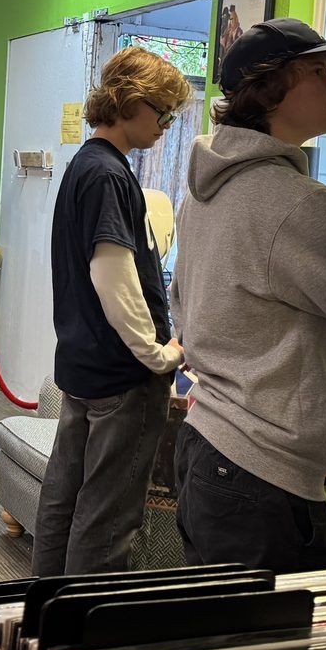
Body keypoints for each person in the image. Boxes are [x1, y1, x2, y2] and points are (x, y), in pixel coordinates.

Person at [170, 20, 326, 572]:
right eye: (317, 72)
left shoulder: (203, 193)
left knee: (222, 646)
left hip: (205, 447)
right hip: (259, 474)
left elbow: (182, 311)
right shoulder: (298, 204)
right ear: (269, 88)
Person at [31, 47, 192, 576]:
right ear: (132, 103)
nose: (165, 126)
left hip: (84, 365)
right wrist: (156, 354)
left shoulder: (87, 165)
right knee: (107, 517)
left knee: (65, 497)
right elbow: (114, 277)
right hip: (122, 376)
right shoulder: (108, 176)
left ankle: (44, 619)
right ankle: (80, 643)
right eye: (162, 113)